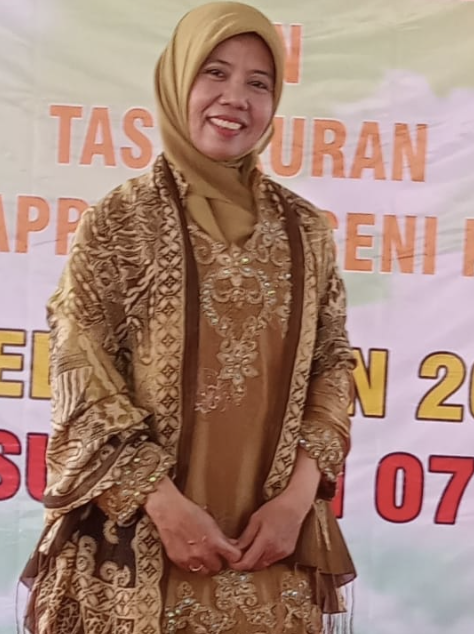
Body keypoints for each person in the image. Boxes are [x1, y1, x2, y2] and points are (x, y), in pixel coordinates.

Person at [21, 2, 356, 633]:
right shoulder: (119, 222)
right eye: (215, 72)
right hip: (138, 543)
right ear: (177, 81)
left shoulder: (305, 229)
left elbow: (333, 365)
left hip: (268, 549)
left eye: (259, 83)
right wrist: (162, 503)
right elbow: (81, 373)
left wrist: (295, 501)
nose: (236, 98)